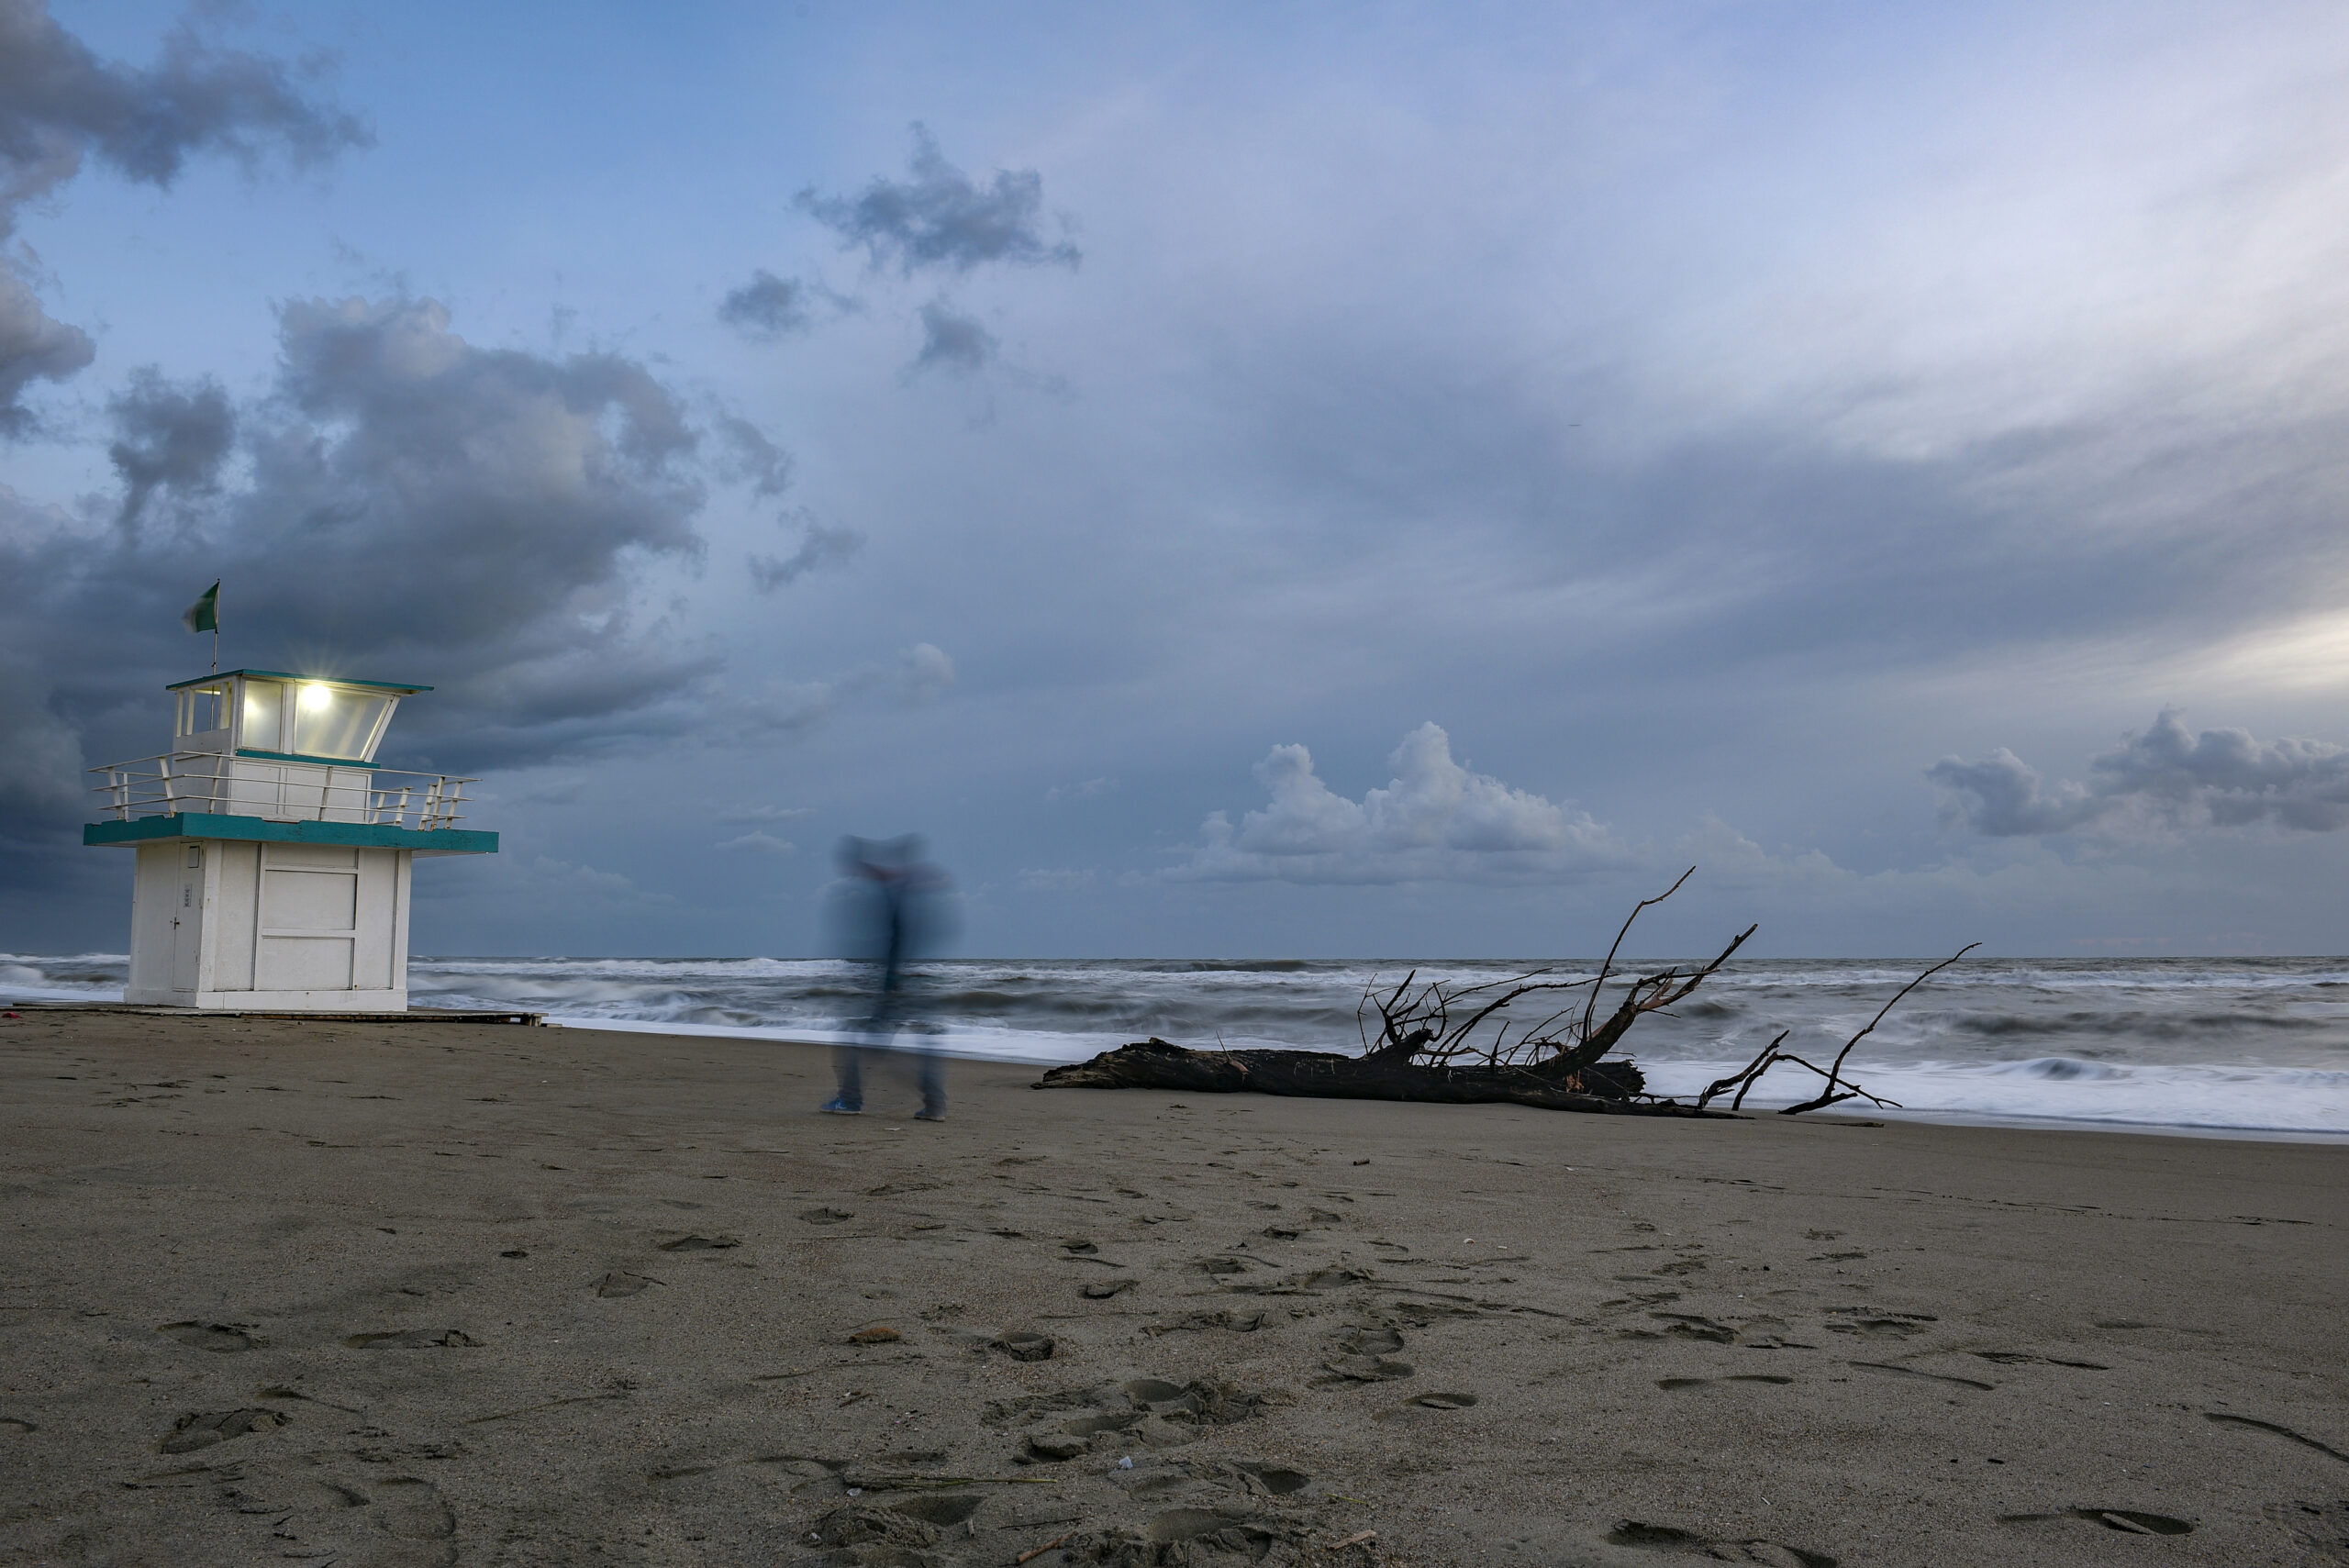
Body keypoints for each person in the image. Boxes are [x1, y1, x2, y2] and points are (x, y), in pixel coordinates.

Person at [821, 835, 955, 1119]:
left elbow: (898, 939)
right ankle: (935, 1104)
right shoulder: (913, 888)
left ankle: (849, 1099)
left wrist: (890, 981)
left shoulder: (899, 890)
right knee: (916, 1039)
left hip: (897, 983)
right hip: (919, 980)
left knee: (855, 1036)